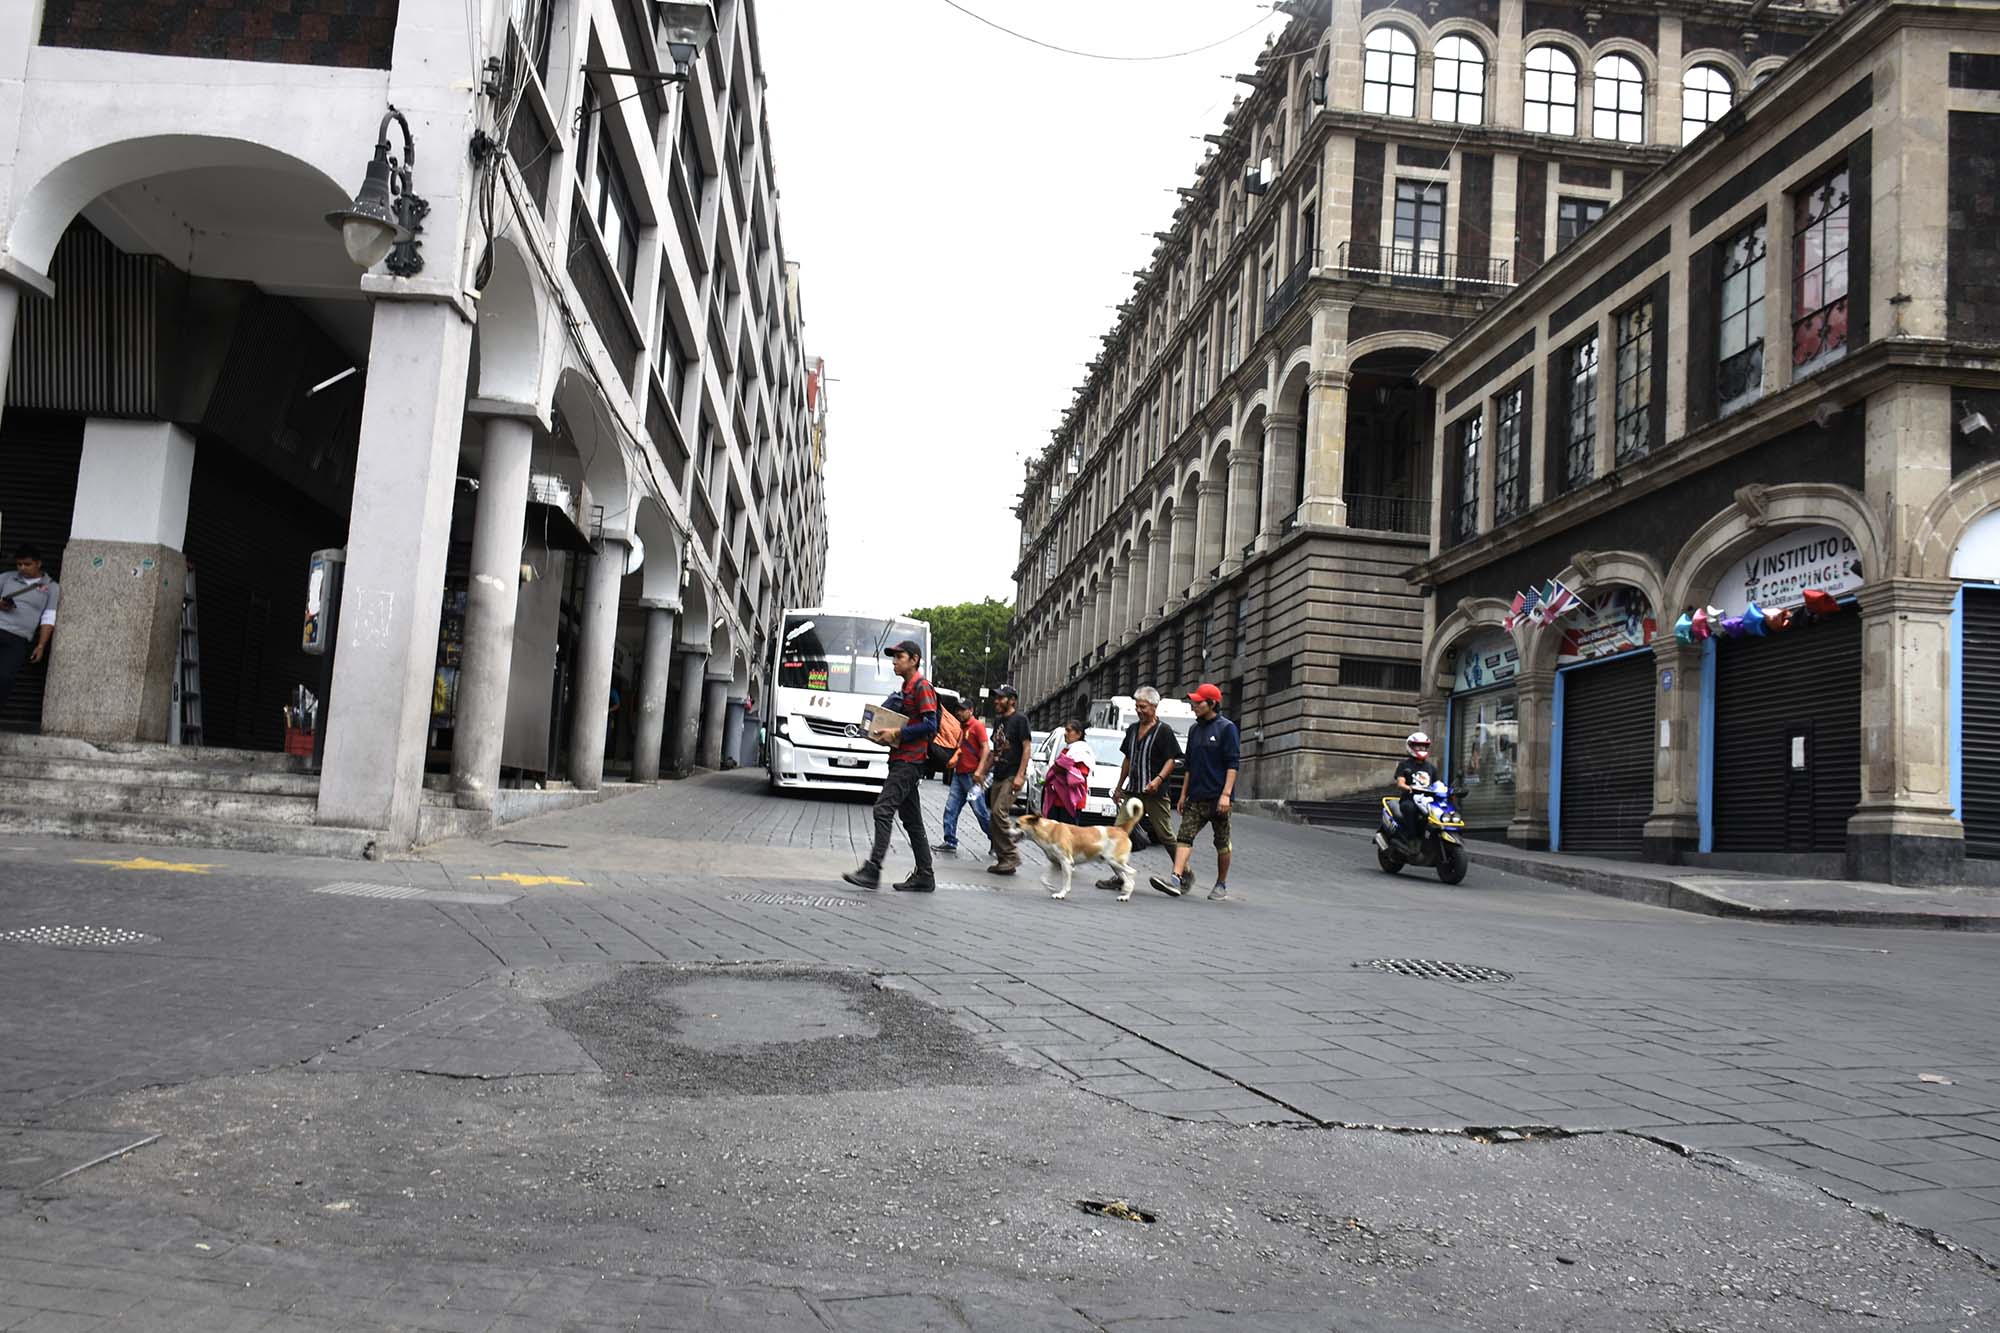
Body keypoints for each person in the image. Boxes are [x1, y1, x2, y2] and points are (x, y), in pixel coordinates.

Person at [842, 639, 940, 892]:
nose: (895, 661)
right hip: (902, 759)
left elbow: (931, 725)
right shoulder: (906, 688)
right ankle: (925, 875)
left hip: (910, 760)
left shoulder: (921, 686)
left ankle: (873, 870)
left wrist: (897, 733)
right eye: (893, 657)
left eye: (900, 656)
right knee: (912, 820)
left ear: (914, 659)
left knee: (883, 809)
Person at [1150, 682, 1241, 902]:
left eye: (1198, 702)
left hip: (1219, 799)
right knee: (1184, 836)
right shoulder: (1194, 729)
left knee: (1222, 842)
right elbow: (1189, 765)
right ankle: (1176, 878)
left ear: (1211, 704)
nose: (1194, 705)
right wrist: (1182, 796)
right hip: (1196, 798)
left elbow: (1232, 764)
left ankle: (1221, 884)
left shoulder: (1226, 728)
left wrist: (1226, 795)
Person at [1097, 685, 1182, 890]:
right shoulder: (1133, 729)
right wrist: (1119, 787)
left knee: (1165, 834)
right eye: (1137, 706)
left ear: (1154, 706)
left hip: (1155, 793)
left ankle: (1183, 871)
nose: (1139, 710)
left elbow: (1172, 760)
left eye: (1143, 706)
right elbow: (1128, 758)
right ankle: (1120, 875)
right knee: (1118, 831)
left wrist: (1158, 780)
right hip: (1133, 791)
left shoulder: (1164, 731)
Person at [972, 682, 1032, 876]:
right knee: (994, 817)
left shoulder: (1020, 720)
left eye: (1001, 697)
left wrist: (1020, 775)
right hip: (998, 773)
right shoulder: (998, 721)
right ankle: (1004, 860)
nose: (996, 701)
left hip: (1012, 774)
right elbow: (994, 751)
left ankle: (1012, 853)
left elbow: (1026, 748)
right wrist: (981, 771)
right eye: (995, 697)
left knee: (999, 812)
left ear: (1012, 700)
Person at [0, 543, 59, 712]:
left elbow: (48, 617)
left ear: (38, 563)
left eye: (27, 564)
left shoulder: (51, 587)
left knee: (5, 677)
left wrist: (41, 645)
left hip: (18, 638)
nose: (22, 568)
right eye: (19, 564)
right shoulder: (6, 578)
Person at [939, 698, 990, 854]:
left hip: (972, 778)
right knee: (950, 808)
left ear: (971, 710)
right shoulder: (961, 728)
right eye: (957, 710)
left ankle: (997, 840)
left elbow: (986, 749)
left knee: (980, 811)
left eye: (962, 709)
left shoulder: (977, 726)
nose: (958, 713)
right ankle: (950, 841)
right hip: (959, 775)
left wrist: (979, 772)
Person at [1041, 717, 1092, 824]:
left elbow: (1080, 775)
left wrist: (1060, 768)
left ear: (1078, 734)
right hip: (1058, 799)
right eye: (1065, 730)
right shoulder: (1067, 750)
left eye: (1069, 731)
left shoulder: (1082, 752)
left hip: (1071, 801)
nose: (1065, 733)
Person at [1392, 730, 1438, 842]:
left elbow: (1436, 784)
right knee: (1410, 809)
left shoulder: (1431, 768)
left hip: (1426, 800)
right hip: (1409, 799)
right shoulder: (1404, 765)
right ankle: (1411, 839)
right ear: (1411, 746)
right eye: (1418, 746)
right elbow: (1400, 782)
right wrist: (1408, 787)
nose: (1421, 748)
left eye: (1424, 746)